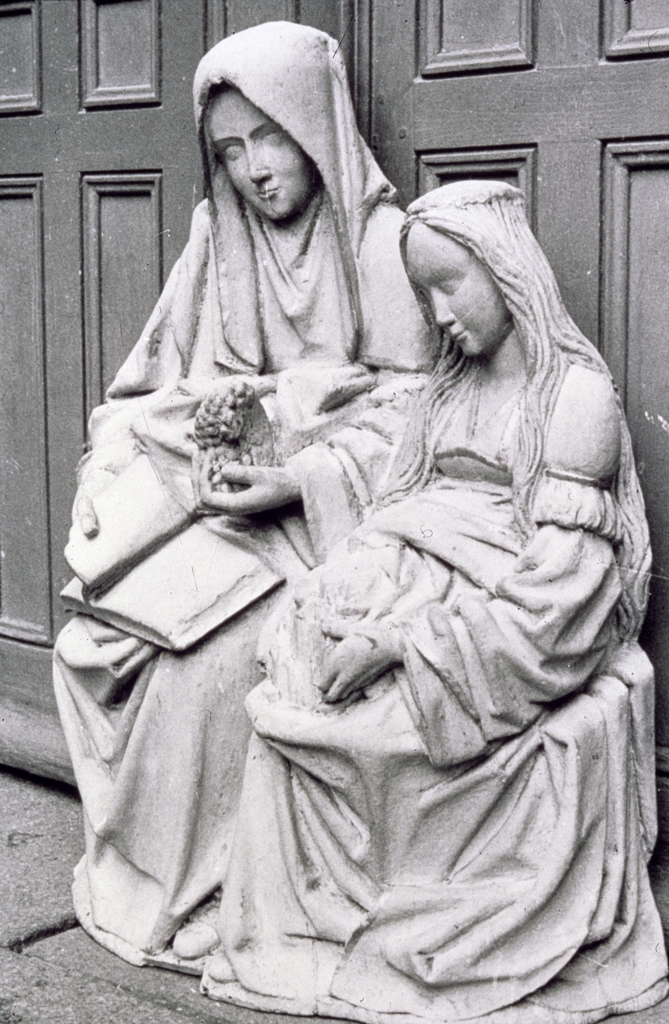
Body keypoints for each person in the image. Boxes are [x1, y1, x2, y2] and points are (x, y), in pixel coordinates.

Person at [202, 180, 669, 1023]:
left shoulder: (571, 401)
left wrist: (406, 645)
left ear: (506, 271)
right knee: (289, 683)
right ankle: (308, 926)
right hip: (404, 589)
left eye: (451, 285)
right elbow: (391, 490)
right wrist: (298, 497)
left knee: (376, 726)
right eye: (424, 295)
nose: (439, 314)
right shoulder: (447, 392)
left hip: (486, 628)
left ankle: (395, 923)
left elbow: (567, 589)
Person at [53, 21, 433, 970]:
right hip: (217, 510)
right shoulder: (215, 240)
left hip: (325, 526)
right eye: (229, 150)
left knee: (207, 670)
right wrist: (121, 462)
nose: (254, 170)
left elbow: (425, 422)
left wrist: (297, 457)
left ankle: (203, 891)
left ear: (315, 127)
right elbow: (140, 393)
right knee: (100, 640)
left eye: (269, 137)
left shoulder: (383, 246)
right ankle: (153, 876)